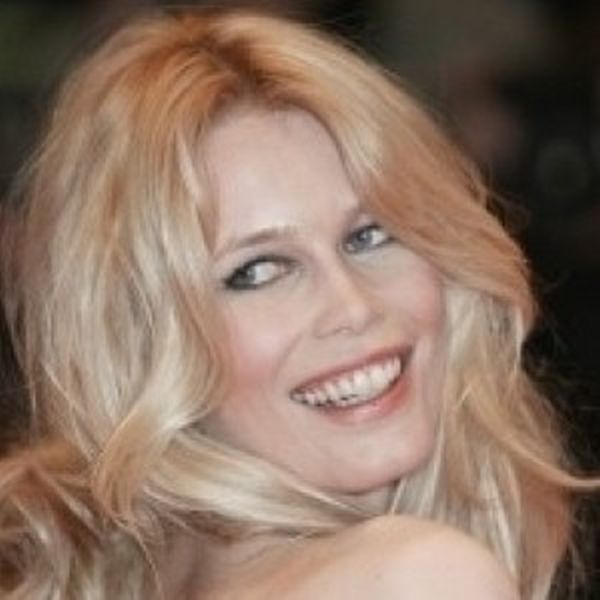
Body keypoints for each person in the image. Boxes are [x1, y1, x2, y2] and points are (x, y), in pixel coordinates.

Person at [0, 8, 595, 599]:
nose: (353, 307)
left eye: (370, 235)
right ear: (142, 338)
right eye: (258, 271)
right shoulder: (419, 577)